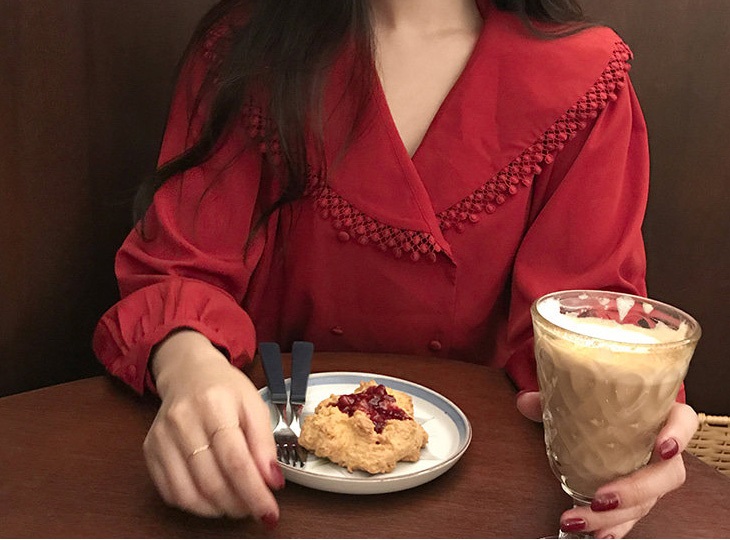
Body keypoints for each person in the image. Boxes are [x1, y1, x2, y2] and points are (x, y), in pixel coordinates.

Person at [92, 0, 699, 536]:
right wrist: (190, 367)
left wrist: (631, 431)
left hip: (489, 504)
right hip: (259, 477)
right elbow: (178, 272)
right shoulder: (244, 49)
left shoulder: (585, 78)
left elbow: (589, 323)